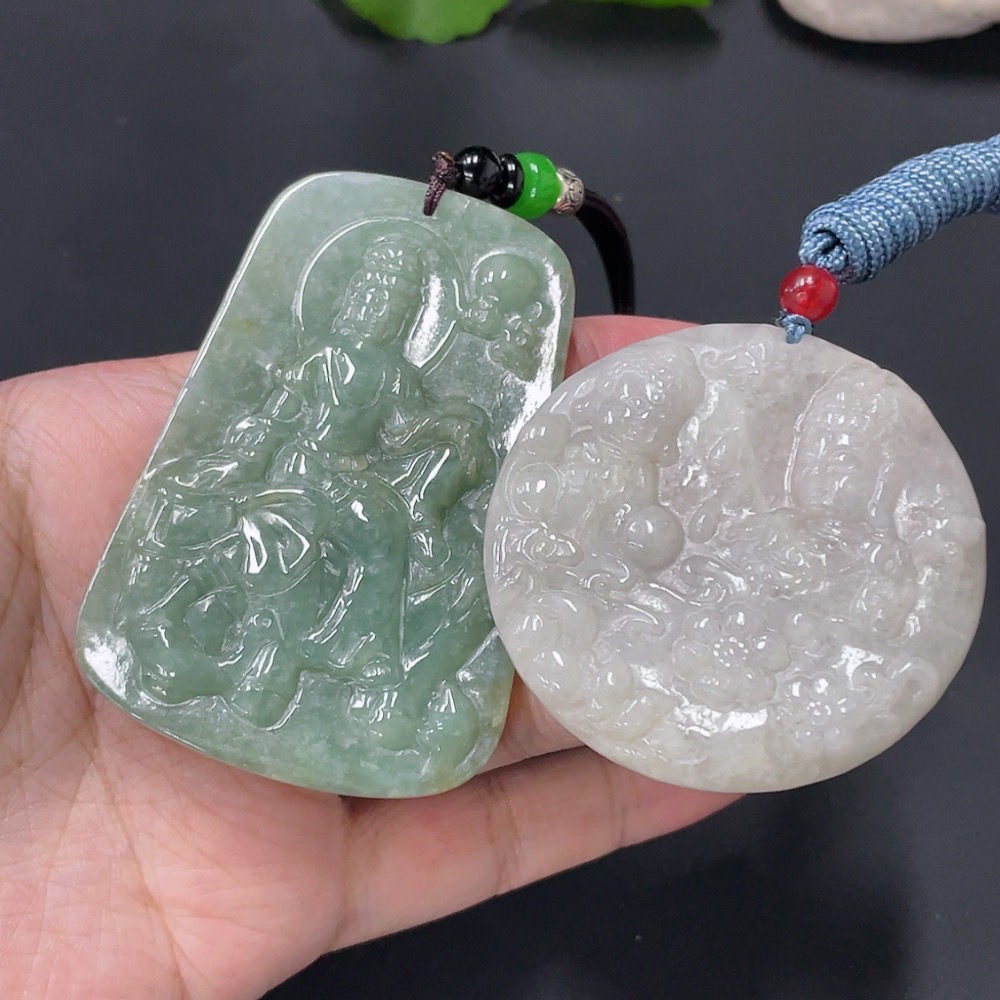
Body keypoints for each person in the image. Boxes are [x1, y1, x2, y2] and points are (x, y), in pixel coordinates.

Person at [0, 315, 735, 999]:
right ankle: (353, 648)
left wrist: (452, 427)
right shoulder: (317, 358)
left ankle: (361, 646)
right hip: (301, 474)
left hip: (351, 481)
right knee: (373, 523)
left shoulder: (394, 376)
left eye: (394, 299)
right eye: (374, 293)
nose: (379, 307)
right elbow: (273, 423)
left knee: (389, 522)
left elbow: (410, 427)